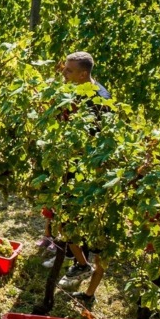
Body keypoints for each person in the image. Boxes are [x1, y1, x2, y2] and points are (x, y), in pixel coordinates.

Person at [55, 52, 112, 296]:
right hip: (72, 162)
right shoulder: (75, 90)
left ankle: (82, 264)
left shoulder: (99, 99)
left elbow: (102, 139)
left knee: (72, 217)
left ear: (83, 74)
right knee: (65, 216)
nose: (63, 73)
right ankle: (80, 262)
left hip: (88, 168)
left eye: (68, 70)